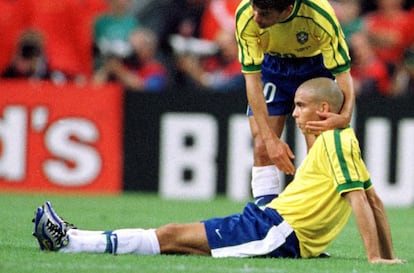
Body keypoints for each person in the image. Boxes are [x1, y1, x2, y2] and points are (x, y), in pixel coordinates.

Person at [32, 77, 403, 264]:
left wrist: (374, 258)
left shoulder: (335, 142)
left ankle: (71, 242)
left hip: (276, 231)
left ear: (324, 109)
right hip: (271, 221)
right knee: (180, 242)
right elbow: (374, 201)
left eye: (301, 106)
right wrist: (387, 257)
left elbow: (358, 199)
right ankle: (74, 240)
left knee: (174, 234)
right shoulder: (342, 141)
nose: (294, 113)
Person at [234, 0, 355, 202]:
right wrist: (271, 140)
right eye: (255, 9)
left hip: (314, 68)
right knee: (261, 146)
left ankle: (305, 223)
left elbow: (343, 74)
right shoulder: (246, 13)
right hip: (273, 69)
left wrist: (345, 116)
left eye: (265, 14)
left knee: (317, 151)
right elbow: (252, 80)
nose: (256, 18)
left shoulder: (319, 14)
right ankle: (264, 220)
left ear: (288, 10)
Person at [13, 0, 89, 82]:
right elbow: (82, 37)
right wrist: (85, 71)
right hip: (67, 66)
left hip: (34, 68)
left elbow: (17, 33)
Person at [92, 28, 167, 91]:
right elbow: (95, 86)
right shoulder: (123, 64)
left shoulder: (156, 69)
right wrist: (107, 69)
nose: (133, 51)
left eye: (138, 47)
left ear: (149, 49)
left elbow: (145, 89)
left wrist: (119, 70)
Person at [175, 30, 244, 91]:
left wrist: (193, 71)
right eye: (220, 48)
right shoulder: (218, 62)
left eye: (226, 47)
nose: (223, 52)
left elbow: (219, 87)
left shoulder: (241, 66)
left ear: (236, 45)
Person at [93, 0, 140, 72]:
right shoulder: (100, 21)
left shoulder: (133, 23)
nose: (125, 0)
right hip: (101, 66)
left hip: (123, 68)